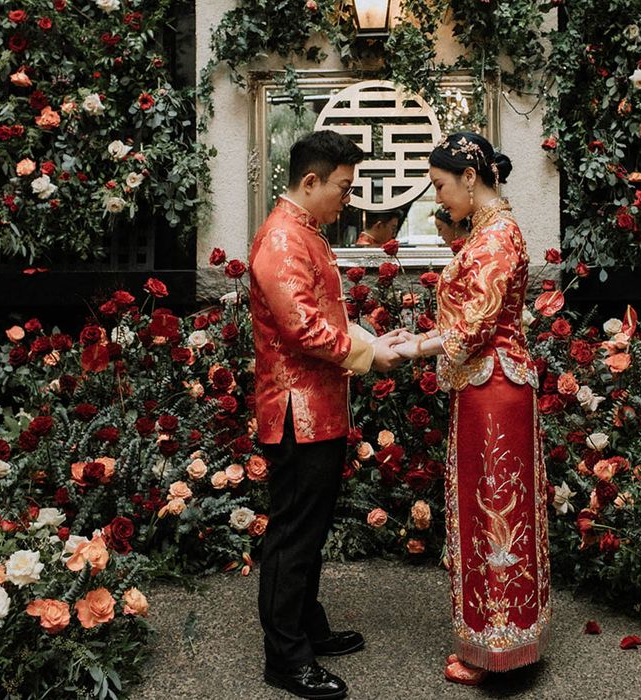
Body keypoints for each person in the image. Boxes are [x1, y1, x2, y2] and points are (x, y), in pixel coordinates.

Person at [248, 129, 405, 700]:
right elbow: (305, 329)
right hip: (297, 412)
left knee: (307, 530)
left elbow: (324, 317)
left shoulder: (302, 233)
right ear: (310, 181)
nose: (349, 197)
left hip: (316, 407)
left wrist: (375, 340)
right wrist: (373, 352)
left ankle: (304, 629)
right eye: (343, 186)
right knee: (293, 535)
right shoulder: (284, 240)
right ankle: (285, 658)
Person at [393, 132, 551, 685]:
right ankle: (502, 640)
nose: (439, 198)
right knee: (492, 511)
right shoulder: (492, 231)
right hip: (491, 386)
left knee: (494, 514)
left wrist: (413, 346)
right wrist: (413, 337)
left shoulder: (496, 237)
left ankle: (498, 650)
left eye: (440, 185)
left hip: (494, 390)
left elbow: (474, 323)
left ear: (469, 176)